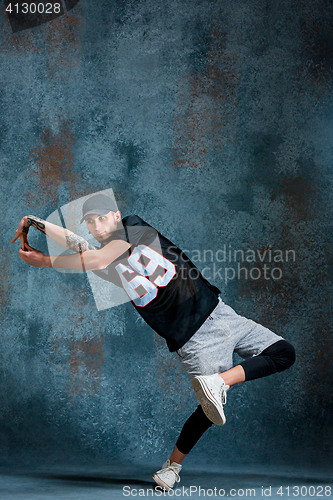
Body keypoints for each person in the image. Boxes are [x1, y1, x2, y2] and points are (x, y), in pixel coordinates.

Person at [12, 193, 296, 491]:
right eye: (91, 222)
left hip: (220, 313)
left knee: (283, 352)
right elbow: (82, 247)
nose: (97, 225)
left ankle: (221, 382)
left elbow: (92, 256)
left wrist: (46, 261)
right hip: (194, 339)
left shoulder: (133, 226)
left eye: (102, 217)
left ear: (116, 215)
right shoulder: (108, 265)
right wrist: (36, 222)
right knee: (209, 411)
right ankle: (173, 466)